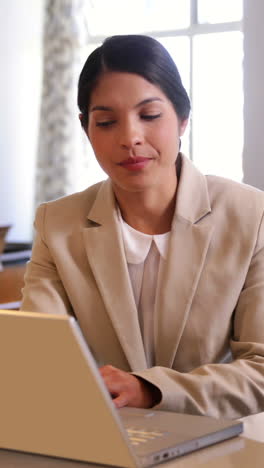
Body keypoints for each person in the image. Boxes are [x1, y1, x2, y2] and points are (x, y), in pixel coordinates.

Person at [21, 34, 264, 419]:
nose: (130, 138)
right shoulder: (58, 224)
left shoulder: (251, 214)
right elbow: (39, 358)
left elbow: (261, 370)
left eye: (149, 115)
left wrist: (151, 390)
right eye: (106, 121)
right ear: (86, 129)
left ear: (183, 119)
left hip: (222, 442)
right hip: (100, 436)